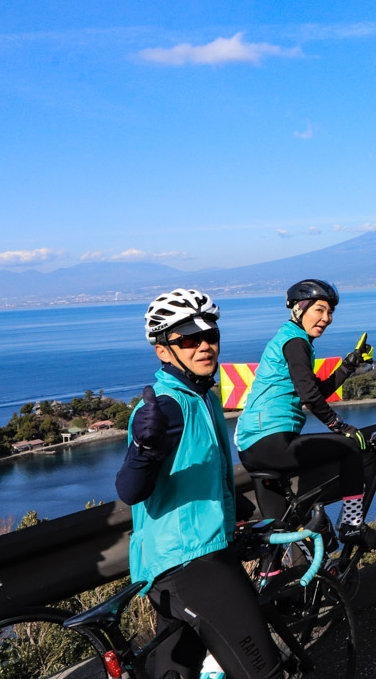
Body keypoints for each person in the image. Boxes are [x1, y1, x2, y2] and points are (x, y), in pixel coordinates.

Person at [115, 289, 285, 679]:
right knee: (263, 670)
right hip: (192, 564)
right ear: (163, 351)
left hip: (177, 564)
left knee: (175, 674)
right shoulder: (166, 406)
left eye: (211, 337)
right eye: (189, 340)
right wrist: (143, 448)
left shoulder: (202, 395)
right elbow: (130, 491)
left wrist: (238, 510)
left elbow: (203, 472)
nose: (204, 346)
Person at [234, 279, 376, 548]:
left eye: (330, 313)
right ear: (299, 308)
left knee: (281, 534)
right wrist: (340, 426)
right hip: (273, 442)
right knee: (350, 448)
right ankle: (352, 524)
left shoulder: (288, 339)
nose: (326, 318)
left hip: (252, 450)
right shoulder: (296, 342)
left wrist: (350, 364)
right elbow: (310, 396)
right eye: (319, 310)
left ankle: (274, 579)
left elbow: (315, 390)